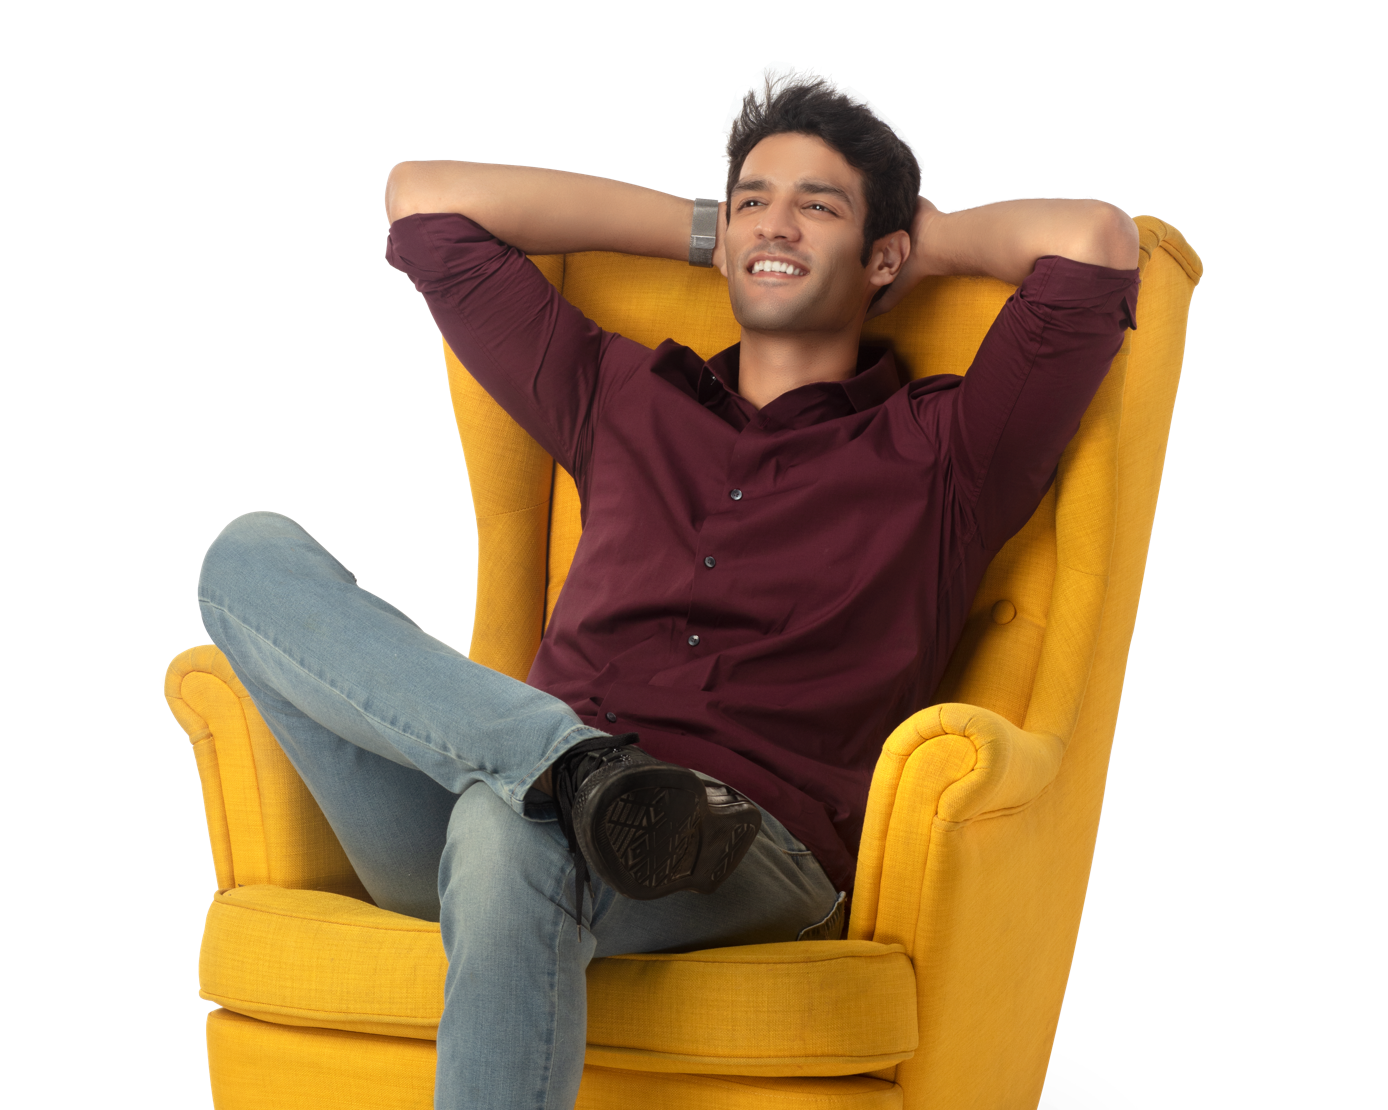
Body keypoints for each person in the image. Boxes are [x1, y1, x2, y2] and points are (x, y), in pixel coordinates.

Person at [196, 61, 1139, 1110]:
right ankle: (572, 767)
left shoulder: (946, 451)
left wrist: (923, 244)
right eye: (753, 203)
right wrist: (713, 230)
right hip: (486, 804)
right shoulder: (621, 393)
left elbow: (1094, 242)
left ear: (883, 254)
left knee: (513, 829)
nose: (775, 225)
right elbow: (422, 199)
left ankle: (560, 779)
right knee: (249, 554)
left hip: (742, 844)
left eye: (817, 208)